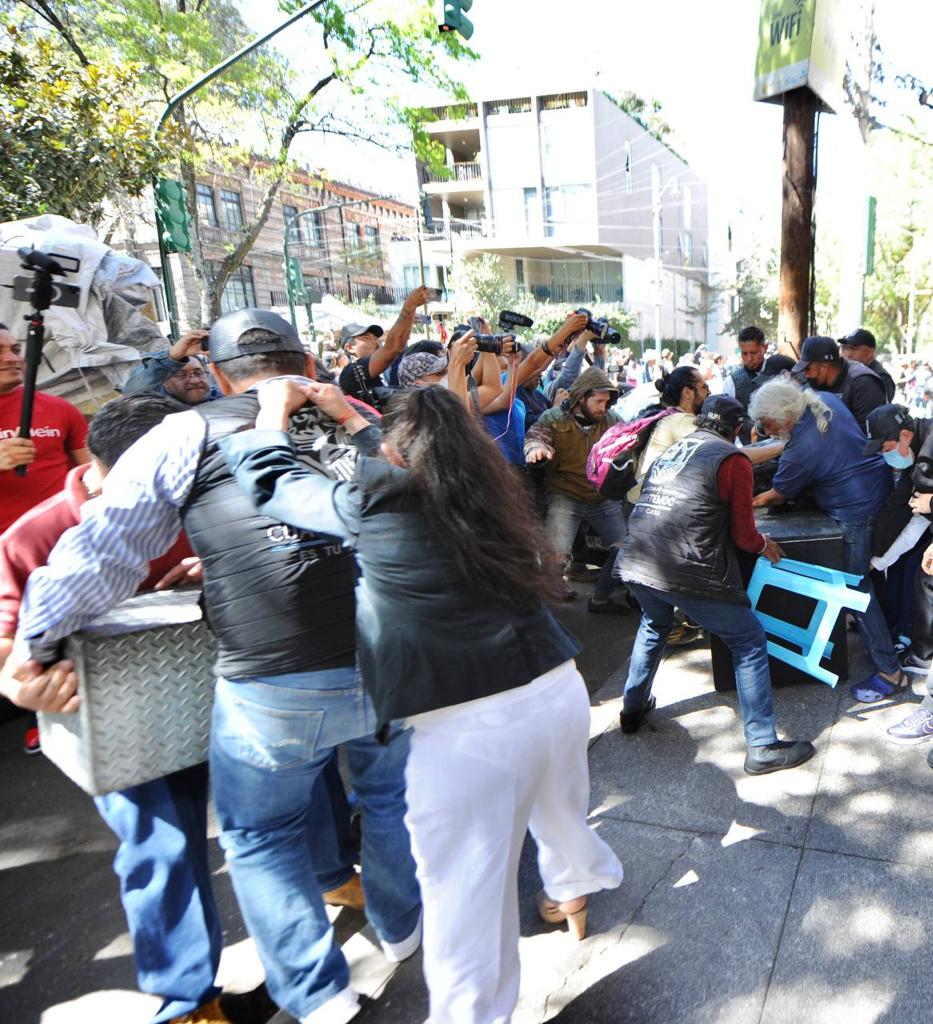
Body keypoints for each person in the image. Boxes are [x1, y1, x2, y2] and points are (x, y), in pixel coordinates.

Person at [4, 309, 421, 1024]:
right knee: (385, 800)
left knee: (260, 835)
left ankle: (318, 995)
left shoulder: (188, 431)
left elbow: (106, 550)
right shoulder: (356, 415)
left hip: (275, 677)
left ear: (220, 376)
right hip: (391, 656)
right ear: (309, 363)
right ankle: (401, 925)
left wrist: (35, 647)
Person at [221, 381, 624, 1024]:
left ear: (392, 453)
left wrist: (270, 416)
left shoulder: (377, 499)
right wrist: (351, 416)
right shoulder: (487, 493)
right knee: (557, 812)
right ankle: (572, 891)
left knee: (463, 900)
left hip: (471, 726)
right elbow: (403, 460)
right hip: (557, 692)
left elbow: (273, 483)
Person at [616, 394, 815, 774]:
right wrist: (764, 545)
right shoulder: (732, 460)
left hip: (636, 558)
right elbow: (743, 534)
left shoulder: (675, 451)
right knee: (749, 642)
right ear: (738, 429)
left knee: (654, 624)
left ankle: (632, 708)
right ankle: (763, 746)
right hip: (684, 568)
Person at [750, 379, 905, 705]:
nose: (764, 429)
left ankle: (891, 671)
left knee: (856, 589)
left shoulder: (803, 448)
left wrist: (743, 503)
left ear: (783, 415)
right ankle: (889, 639)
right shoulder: (820, 400)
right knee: (868, 579)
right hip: (875, 488)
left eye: (766, 423)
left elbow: (778, 494)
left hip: (855, 511)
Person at [524, 365, 628, 613]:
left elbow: (630, 435)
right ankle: (541, 613)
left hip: (601, 498)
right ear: (581, 397)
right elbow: (535, 436)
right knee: (555, 558)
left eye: (606, 401)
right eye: (598, 401)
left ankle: (601, 599)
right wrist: (535, 448)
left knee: (626, 552)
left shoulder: (611, 420)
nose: (603, 407)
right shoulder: (553, 418)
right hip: (565, 495)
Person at [0, 323, 90, 534]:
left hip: (66, 540)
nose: (12, 359)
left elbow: (93, 472)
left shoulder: (60, 409)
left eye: (15, 350)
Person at [337, 285, 431, 407]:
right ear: (350, 348)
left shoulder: (385, 370)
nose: (375, 342)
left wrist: (408, 319)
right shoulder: (350, 373)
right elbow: (394, 347)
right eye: (366, 338)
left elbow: (399, 345)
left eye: (375, 338)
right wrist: (409, 305)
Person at [793, 336, 886, 430]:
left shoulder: (863, 383)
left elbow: (866, 433)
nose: (806, 374)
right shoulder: (818, 381)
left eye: (807, 369)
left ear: (824, 366)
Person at [123, 329, 218, 404]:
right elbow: (133, 396)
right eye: (182, 375)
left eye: (198, 373)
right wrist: (172, 357)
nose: (195, 381)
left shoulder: (223, 397)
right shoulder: (156, 411)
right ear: (166, 384)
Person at [722, 325, 767, 442]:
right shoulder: (731, 382)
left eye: (754, 353)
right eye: (744, 353)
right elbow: (727, 419)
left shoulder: (779, 374)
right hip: (744, 448)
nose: (749, 358)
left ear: (765, 348)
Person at [840, 328, 896, 402]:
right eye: (845, 348)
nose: (848, 354)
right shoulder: (846, 372)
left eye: (854, 349)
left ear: (870, 352)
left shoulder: (881, 377)